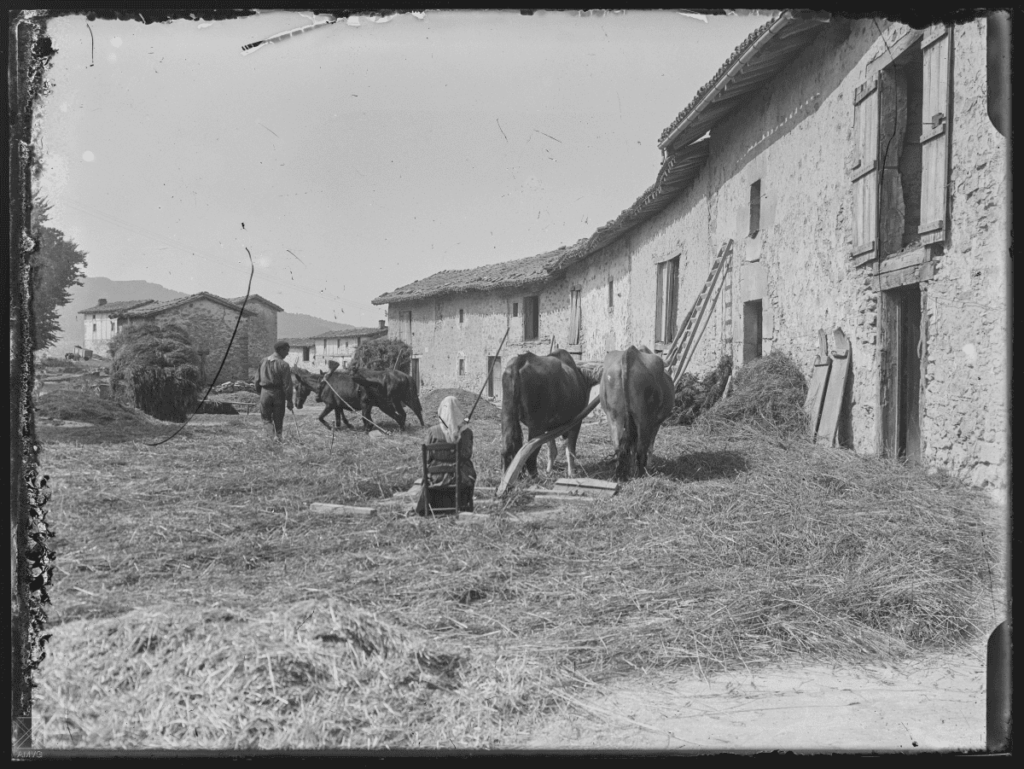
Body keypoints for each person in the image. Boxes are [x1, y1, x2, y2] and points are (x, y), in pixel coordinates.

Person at [417, 395, 476, 515]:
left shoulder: (432, 431)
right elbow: (467, 455)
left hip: (436, 477)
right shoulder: (467, 432)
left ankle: (433, 503)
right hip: (461, 477)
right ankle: (463, 503)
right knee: (470, 469)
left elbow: (428, 458)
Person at [255, 340, 294, 442]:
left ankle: (270, 439)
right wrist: (289, 400)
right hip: (278, 394)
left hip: (265, 392)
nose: (287, 353)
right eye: (286, 351)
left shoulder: (263, 361)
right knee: (278, 418)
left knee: (266, 418)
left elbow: (257, 380)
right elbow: (288, 385)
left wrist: (260, 393)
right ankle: (279, 438)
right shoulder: (284, 365)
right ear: (280, 350)